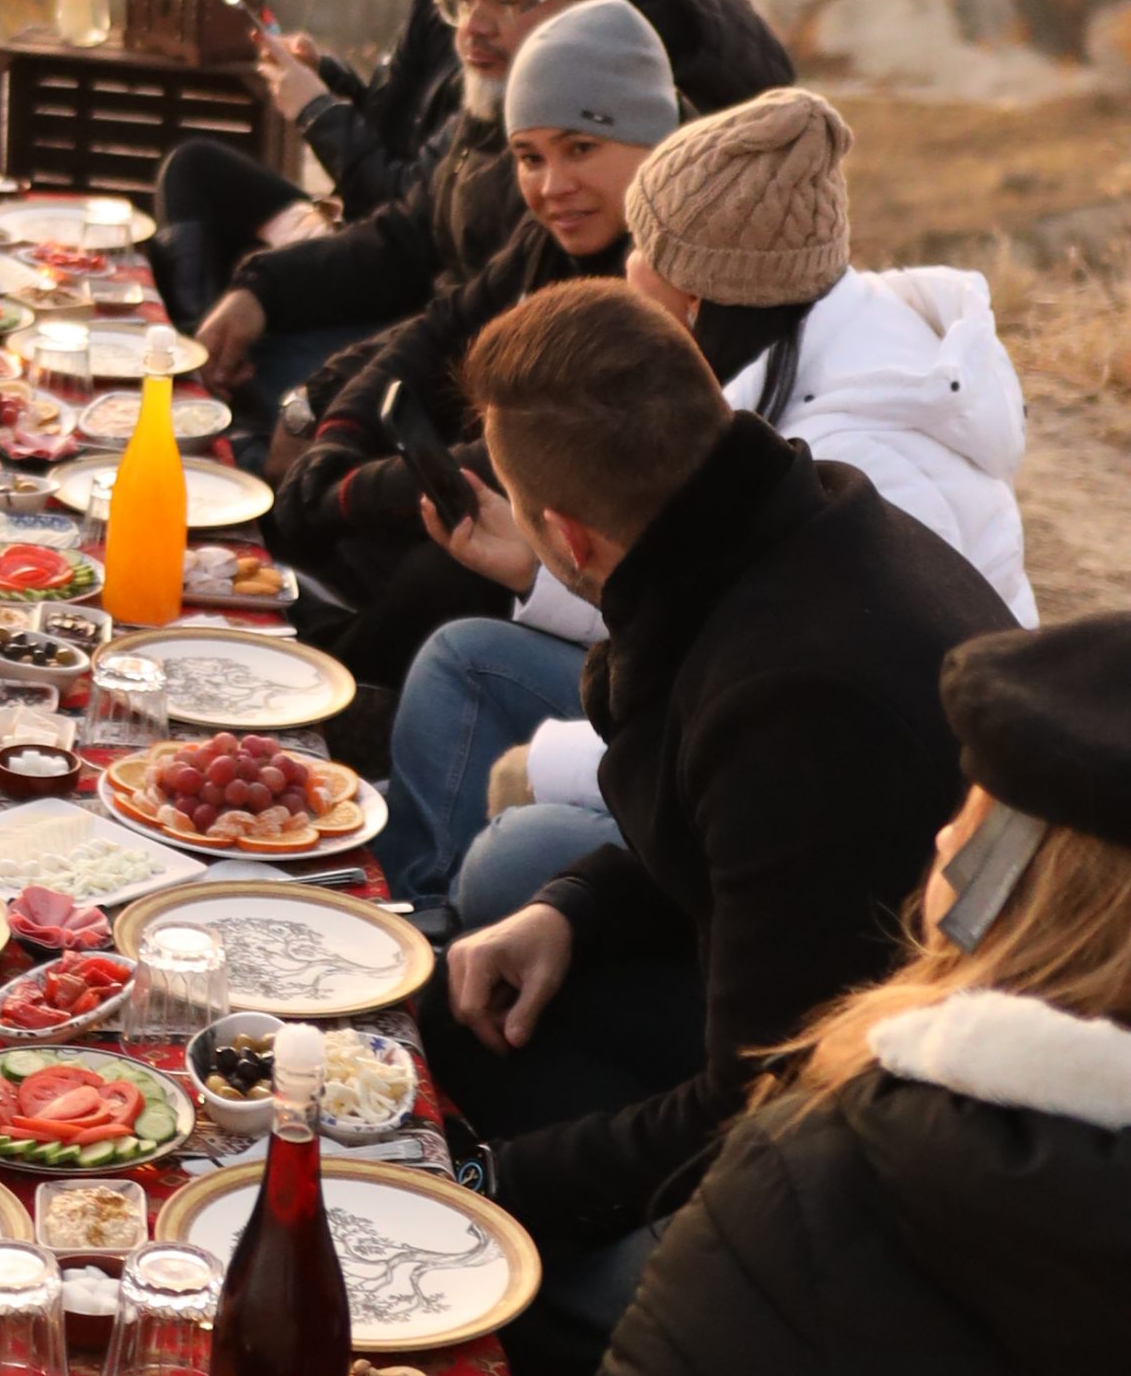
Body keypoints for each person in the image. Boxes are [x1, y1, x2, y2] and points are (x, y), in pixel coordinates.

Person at [426, 280, 1010, 1350]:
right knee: (482, 962)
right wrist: (575, 908)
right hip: (834, 972)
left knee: (628, 1286)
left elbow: (763, 1101)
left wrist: (479, 1183)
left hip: (904, 1134)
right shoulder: (779, 510)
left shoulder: (795, 695)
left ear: (567, 535)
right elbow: (741, 844)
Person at [389, 87, 1033, 922]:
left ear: (701, 296)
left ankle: (448, 943)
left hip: (874, 845)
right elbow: (697, 599)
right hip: (745, 715)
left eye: (645, 254)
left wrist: (545, 764)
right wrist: (541, 568)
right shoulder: (782, 355)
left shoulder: (862, 452)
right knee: (462, 660)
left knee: (521, 852)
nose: (626, 273)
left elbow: (784, 721)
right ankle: (419, 907)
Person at [588, 612, 1131, 1376]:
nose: (943, 835)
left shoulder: (824, 1167)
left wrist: (491, 1179)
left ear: (1012, 889)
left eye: (973, 816)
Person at [196, 0, 792, 443]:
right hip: (431, 356)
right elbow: (411, 240)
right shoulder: (494, 98)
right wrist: (263, 290)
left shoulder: (603, 163)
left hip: (482, 411)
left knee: (254, 412)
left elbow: (516, 383)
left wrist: (333, 428)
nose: (474, 27)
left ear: (585, 9)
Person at [265, 0, 679, 689]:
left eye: (582, 149)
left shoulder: (655, 276)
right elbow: (441, 329)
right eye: (529, 157)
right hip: (486, 514)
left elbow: (531, 450)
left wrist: (346, 493)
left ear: (653, 143)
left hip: (605, 607)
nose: (553, 186)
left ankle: (348, 709)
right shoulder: (548, 238)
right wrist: (341, 430)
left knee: (443, 563)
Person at [155, 0, 599, 328]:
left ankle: (195, 352)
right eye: (468, 2)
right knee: (193, 169)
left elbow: (403, 213)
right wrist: (327, 78)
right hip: (373, 244)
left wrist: (316, 111)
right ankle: (191, 336)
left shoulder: (500, 69)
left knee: (265, 329)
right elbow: (395, 153)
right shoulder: (442, 11)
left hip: (393, 288)